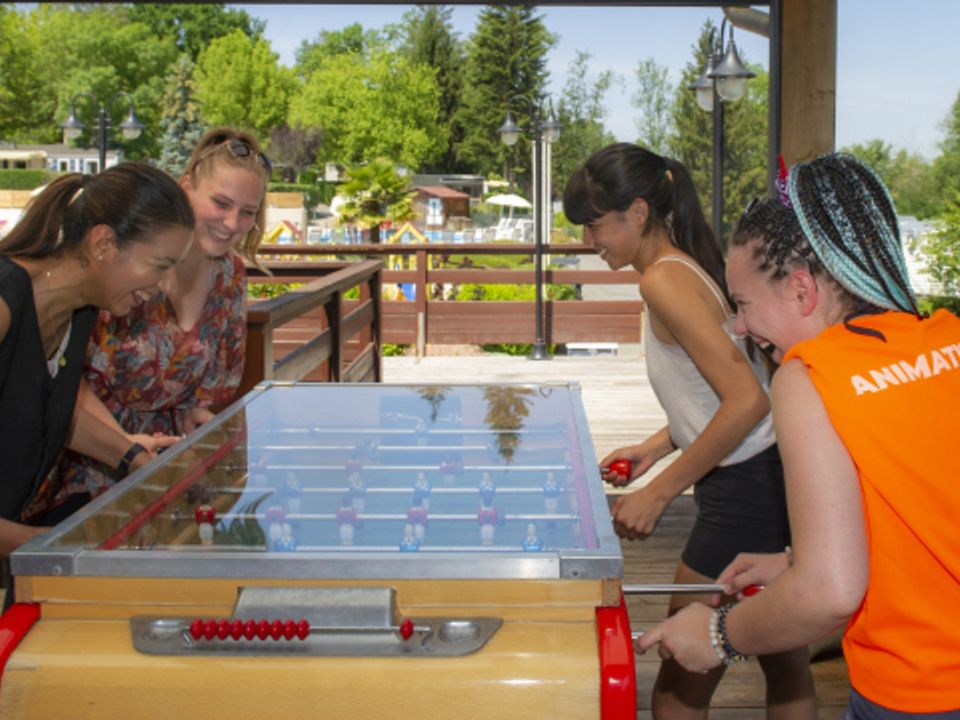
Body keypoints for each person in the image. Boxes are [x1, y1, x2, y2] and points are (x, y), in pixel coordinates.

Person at [636, 153, 960, 718]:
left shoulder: (809, 376)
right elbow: (927, 521)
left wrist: (718, 634)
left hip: (918, 689)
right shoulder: (946, 337)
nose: (738, 327)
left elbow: (831, 592)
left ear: (803, 291)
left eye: (741, 304)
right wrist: (794, 562)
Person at [563, 143, 815, 719]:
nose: (589, 240)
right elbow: (720, 389)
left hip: (746, 491)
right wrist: (655, 447)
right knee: (784, 658)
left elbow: (746, 400)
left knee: (679, 675)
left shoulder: (663, 283)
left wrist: (659, 491)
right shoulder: (684, 267)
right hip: (772, 474)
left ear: (639, 212)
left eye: (595, 225)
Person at [29, 127, 271, 525]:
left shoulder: (230, 275)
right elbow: (63, 374)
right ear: (186, 187)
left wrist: (208, 430)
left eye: (248, 211)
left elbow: (206, 396)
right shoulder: (118, 264)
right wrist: (124, 450)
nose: (232, 223)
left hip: (169, 471)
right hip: (85, 468)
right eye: (221, 203)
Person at [0, 164, 195, 556]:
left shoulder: (80, 312)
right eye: (160, 266)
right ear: (103, 243)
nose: (164, 287)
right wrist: (41, 543)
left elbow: (45, 411)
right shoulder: (6, 303)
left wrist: (134, 460)